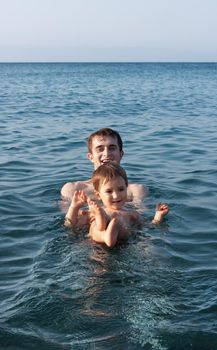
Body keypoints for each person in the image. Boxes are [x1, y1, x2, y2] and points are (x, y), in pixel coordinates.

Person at [65, 163, 169, 248]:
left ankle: (107, 227)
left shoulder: (132, 214)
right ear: (98, 195)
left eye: (121, 189)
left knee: (102, 227)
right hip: (102, 242)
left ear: (126, 189)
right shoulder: (95, 210)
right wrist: (74, 207)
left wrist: (158, 216)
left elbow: (147, 226)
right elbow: (71, 224)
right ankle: (104, 227)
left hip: (117, 243)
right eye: (109, 191)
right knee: (95, 227)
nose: (116, 195)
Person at [61, 128, 147, 206]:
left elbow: (141, 220)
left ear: (121, 154)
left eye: (112, 148)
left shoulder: (136, 191)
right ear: (90, 157)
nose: (107, 154)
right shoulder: (73, 190)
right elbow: (68, 222)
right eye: (100, 149)